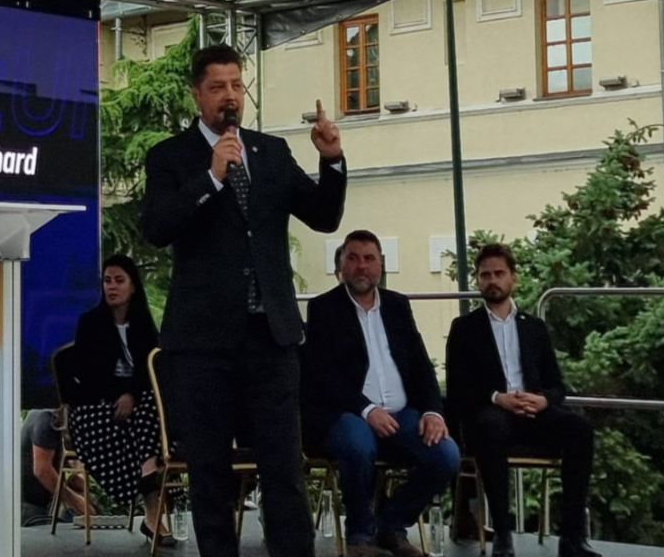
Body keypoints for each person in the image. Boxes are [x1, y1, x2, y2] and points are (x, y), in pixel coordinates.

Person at [141, 43, 347, 557]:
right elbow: (157, 228)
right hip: (203, 344)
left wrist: (332, 160)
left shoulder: (270, 152)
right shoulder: (170, 156)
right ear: (197, 95)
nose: (229, 96)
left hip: (271, 338)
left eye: (236, 85)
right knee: (211, 471)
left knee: (285, 467)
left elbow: (323, 216)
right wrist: (211, 177)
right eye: (217, 87)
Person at [302, 230, 458, 557]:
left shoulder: (397, 306)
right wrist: (367, 409)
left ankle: (392, 524)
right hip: (347, 414)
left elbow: (421, 365)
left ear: (380, 265)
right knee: (358, 444)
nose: (362, 266)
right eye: (353, 258)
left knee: (446, 455)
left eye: (369, 258)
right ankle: (359, 534)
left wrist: (433, 411)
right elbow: (321, 376)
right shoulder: (323, 309)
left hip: (402, 415)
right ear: (340, 267)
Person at [446, 244, 600, 557]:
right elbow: (458, 387)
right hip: (491, 413)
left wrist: (543, 400)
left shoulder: (534, 327)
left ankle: (572, 538)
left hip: (533, 411)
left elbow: (557, 385)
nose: (492, 281)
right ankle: (503, 534)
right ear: (477, 280)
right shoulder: (464, 328)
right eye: (485, 275)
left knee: (580, 429)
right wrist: (497, 397)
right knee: (489, 428)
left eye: (499, 273)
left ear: (513, 278)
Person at [67, 255, 173, 546]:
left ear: (133, 286)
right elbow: (88, 375)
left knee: (149, 409)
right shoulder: (90, 323)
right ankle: (152, 496)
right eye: (107, 281)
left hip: (137, 407)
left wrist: (131, 396)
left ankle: (151, 503)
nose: (111, 287)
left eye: (119, 281)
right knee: (149, 424)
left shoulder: (144, 325)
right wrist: (120, 396)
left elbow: (152, 372)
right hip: (97, 410)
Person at [21, 408, 91, 526]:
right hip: (30, 508)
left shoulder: (57, 418)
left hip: (38, 504)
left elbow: (73, 453)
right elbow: (42, 471)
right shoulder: (46, 418)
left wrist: (79, 476)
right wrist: (78, 503)